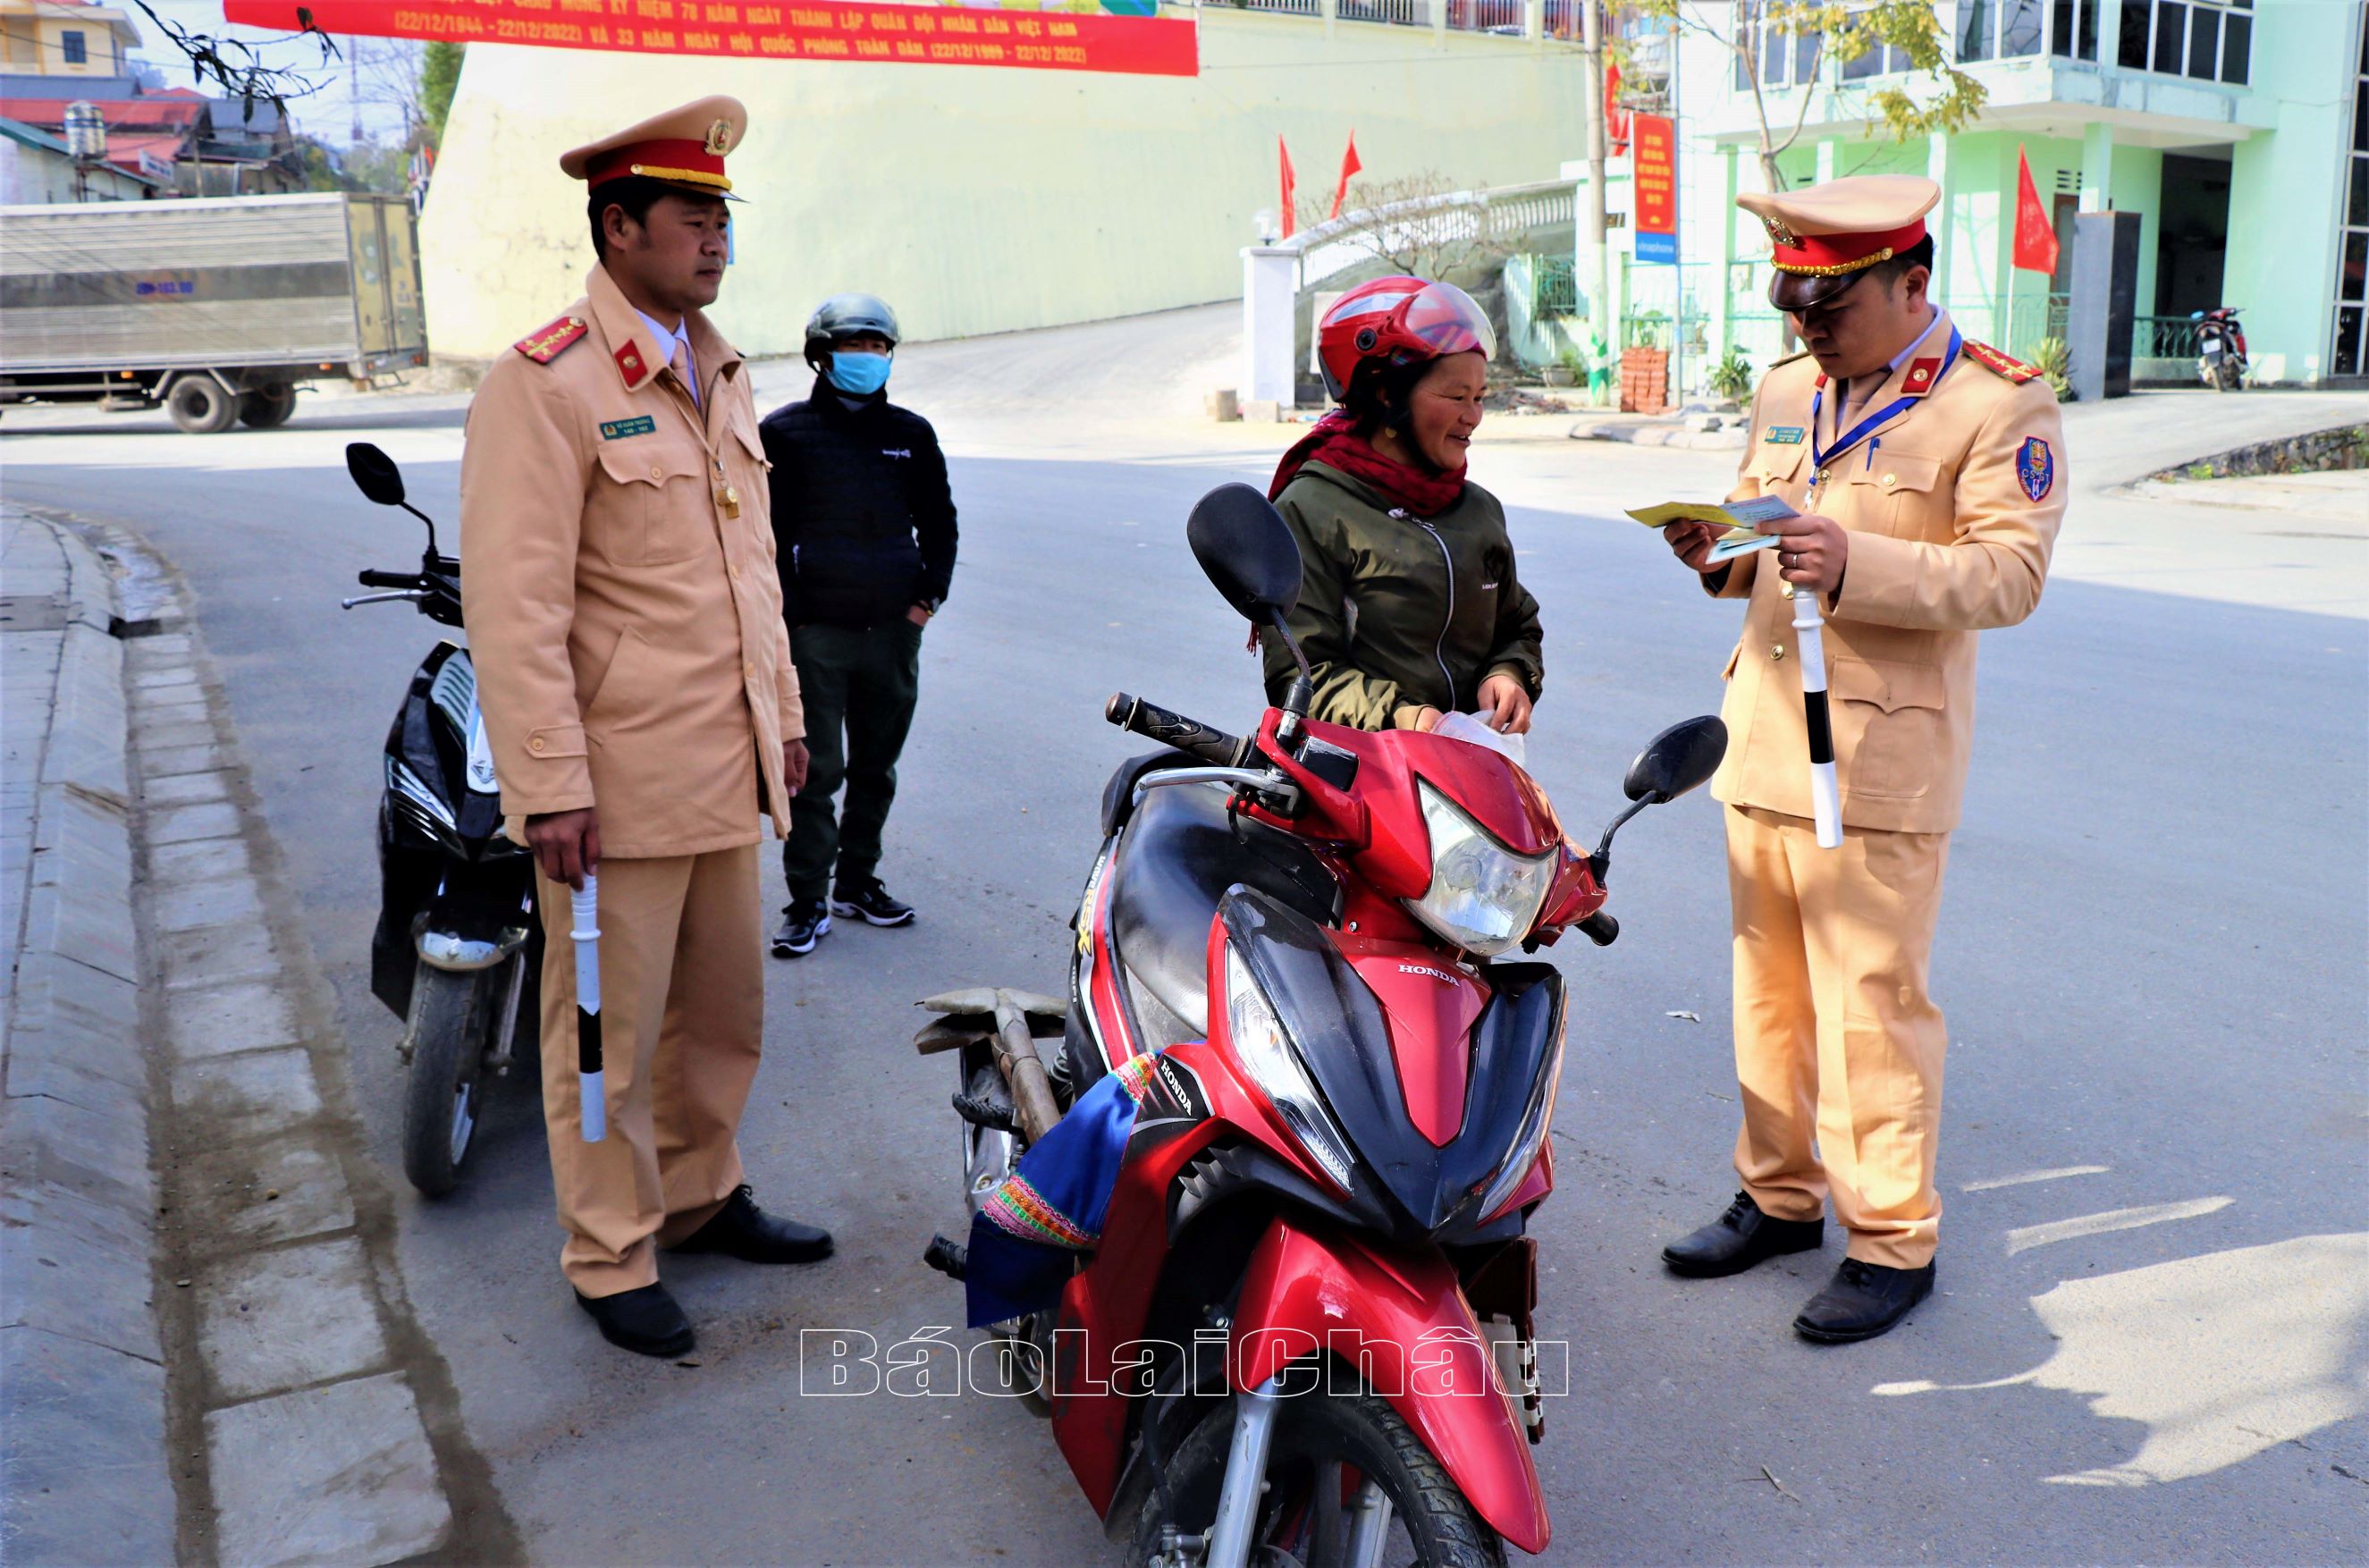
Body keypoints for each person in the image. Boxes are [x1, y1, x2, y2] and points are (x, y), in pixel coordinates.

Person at [1657, 173, 2065, 1343]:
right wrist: (1715, 545)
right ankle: (1779, 1195)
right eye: (1794, 304)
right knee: (1766, 992)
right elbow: (1756, 525)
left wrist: (1860, 562)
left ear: (1910, 285)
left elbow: (2008, 575)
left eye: (1828, 306)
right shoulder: (1788, 387)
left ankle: (1892, 1238)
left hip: (1878, 757)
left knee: (1869, 1006)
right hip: (1766, 738)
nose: (1805, 328)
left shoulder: (1994, 405)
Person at [459, 97, 832, 1361]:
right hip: (612, 791)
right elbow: (515, 610)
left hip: (725, 769)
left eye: (723, 216)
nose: (714, 237)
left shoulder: (718, 366)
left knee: (722, 1018)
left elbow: (751, 577)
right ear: (619, 228)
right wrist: (548, 784)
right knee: (608, 1036)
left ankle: (699, 1193)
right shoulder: (549, 383)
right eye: (691, 216)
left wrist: (782, 723)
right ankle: (609, 1251)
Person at [760, 292, 957, 957]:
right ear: (821, 356)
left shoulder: (911, 434)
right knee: (816, 771)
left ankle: (856, 883)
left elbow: (940, 525)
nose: (867, 358)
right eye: (853, 346)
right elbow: (764, 538)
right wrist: (790, 618)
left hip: (892, 634)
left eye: (878, 347)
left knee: (877, 768)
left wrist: (924, 603)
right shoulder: (784, 435)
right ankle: (807, 900)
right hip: (816, 634)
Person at [1260, 276, 1543, 734]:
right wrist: (1405, 717)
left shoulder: (1479, 511)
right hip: (1358, 775)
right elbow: (1300, 670)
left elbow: (1517, 625)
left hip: (1464, 769)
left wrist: (1509, 673)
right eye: (1455, 396)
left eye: (1479, 398)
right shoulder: (1312, 510)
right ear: (1387, 395)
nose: (1472, 417)